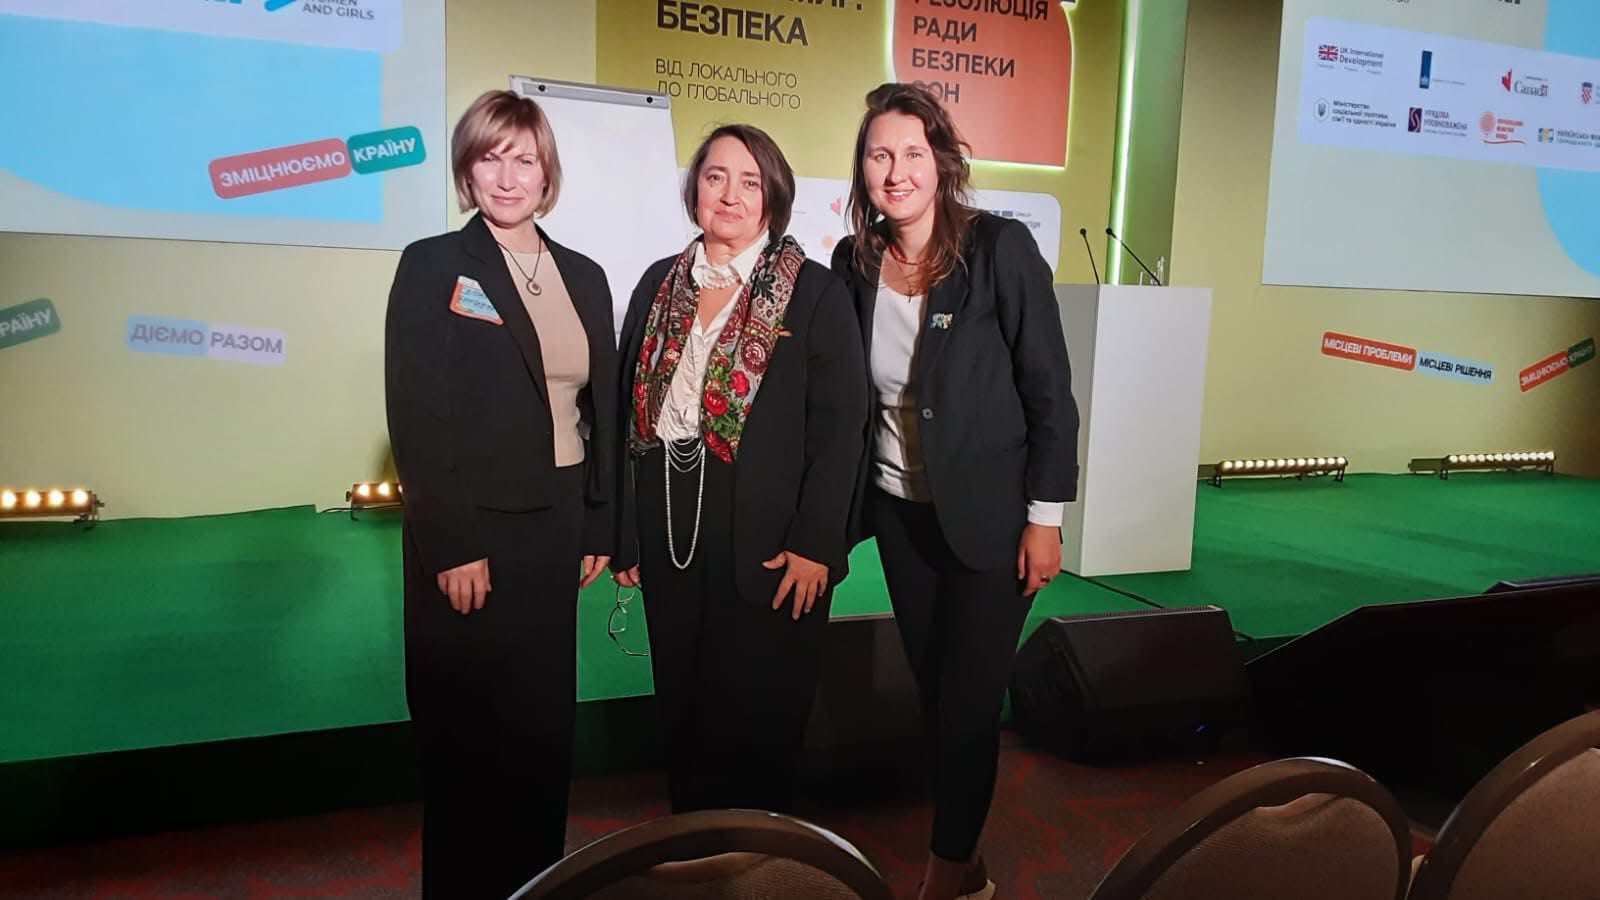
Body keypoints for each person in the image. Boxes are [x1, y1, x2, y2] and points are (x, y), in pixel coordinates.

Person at [831, 82, 1080, 900]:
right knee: (937, 696)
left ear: (941, 162)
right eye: (880, 155)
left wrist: (1045, 517)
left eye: (912, 153)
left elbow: (1050, 392)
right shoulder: (853, 263)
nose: (896, 171)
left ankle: (944, 878)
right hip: (901, 517)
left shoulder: (999, 249)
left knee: (970, 703)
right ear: (863, 169)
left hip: (994, 520)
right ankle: (967, 864)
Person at [384, 89, 616, 899]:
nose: (508, 177)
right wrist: (452, 543)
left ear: (547, 173)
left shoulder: (585, 276)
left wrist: (600, 523)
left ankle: (535, 888)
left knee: (541, 739)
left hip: (556, 532)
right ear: (466, 171)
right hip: (471, 537)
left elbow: (600, 412)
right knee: (465, 749)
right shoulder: (432, 266)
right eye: (491, 158)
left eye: (525, 159)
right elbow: (418, 413)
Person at [611, 124, 867, 815]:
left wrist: (819, 541)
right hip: (669, 525)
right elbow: (624, 413)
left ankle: (756, 859)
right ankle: (695, 845)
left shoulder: (813, 293)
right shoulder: (657, 284)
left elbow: (842, 426)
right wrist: (626, 535)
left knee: (761, 715)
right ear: (694, 188)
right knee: (684, 707)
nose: (730, 195)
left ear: (773, 197)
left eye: (750, 182)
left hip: (775, 539)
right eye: (716, 176)